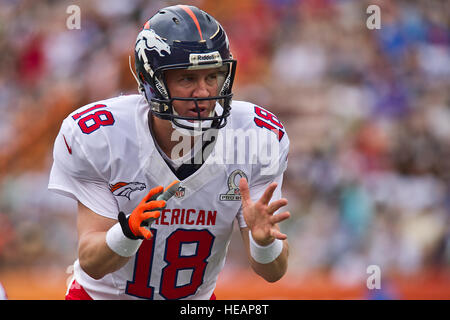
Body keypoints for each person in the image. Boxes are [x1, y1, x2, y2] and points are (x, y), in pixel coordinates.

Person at [48, 4, 290, 300]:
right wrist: (127, 233)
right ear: (151, 81)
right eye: (187, 78)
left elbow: (274, 272)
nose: (203, 93)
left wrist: (264, 243)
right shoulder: (101, 135)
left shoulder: (254, 137)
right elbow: (92, 262)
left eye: (211, 76)